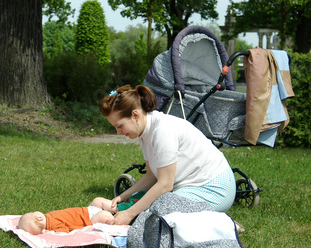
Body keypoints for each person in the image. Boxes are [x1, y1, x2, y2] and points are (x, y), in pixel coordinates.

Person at [100, 84, 236, 225]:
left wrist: (129, 214)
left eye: (120, 126)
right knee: (148, 213)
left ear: (135, 115)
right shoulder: (143, 132)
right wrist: (123, 196)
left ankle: (219, 224)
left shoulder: (162, 131)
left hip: (215, 188)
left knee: (149, 218)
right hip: (192, 187)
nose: (118, 132)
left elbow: (165, 185)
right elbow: (151, 175)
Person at [18, 192, 146, 235]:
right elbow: (64, 231)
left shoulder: (49, 219)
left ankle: (118, 208)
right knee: (101, 209)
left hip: (89, 211)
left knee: (99, 207)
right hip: (90, 216)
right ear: (39, 217)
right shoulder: (52, 222)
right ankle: (117, 212)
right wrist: (52, 232)